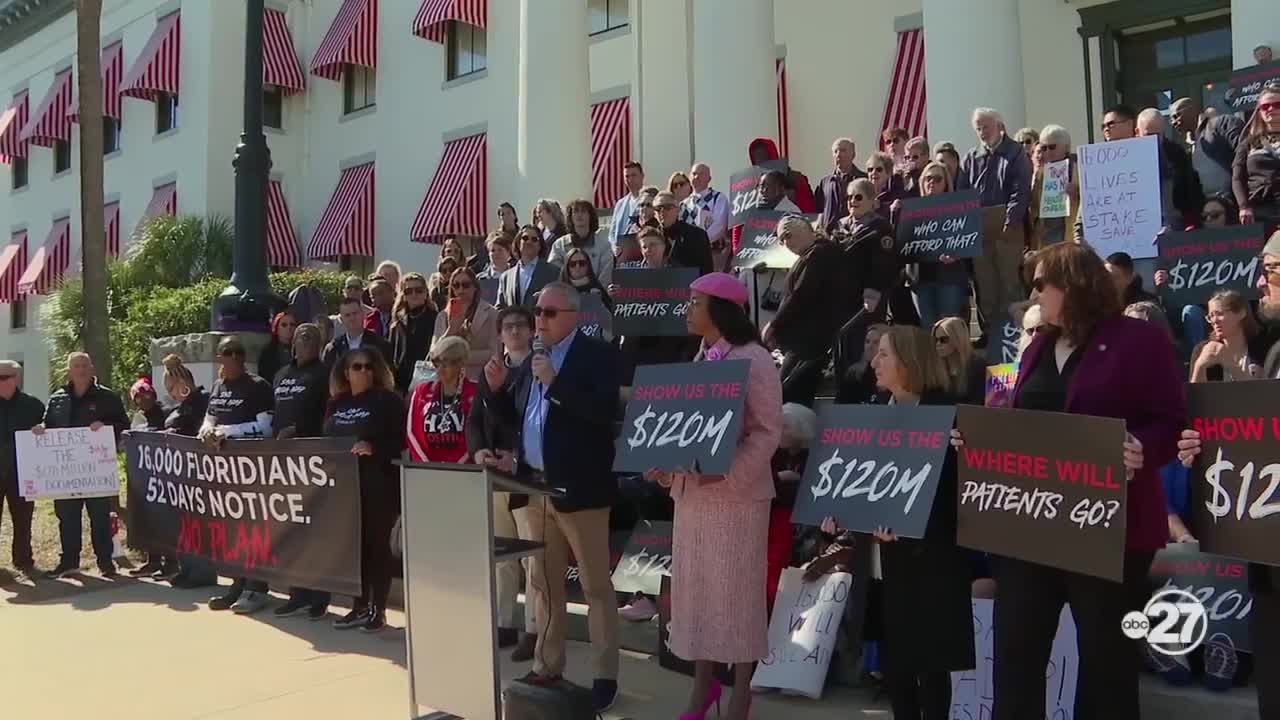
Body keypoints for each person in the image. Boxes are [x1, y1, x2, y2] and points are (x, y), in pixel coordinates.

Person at [951, 242, 1184, 719]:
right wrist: (977, 444)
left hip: (1108, 529)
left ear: (1073, 284)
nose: (1032, 293)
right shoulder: (1036, 346)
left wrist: (1142, 447)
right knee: (1016, 652)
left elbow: (1171, 421)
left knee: (1106, 659)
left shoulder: (1139, 341)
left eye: (1040, 283)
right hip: (1034, 527)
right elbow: (1020, 424)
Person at [643, 272, 781, 720]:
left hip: (736, 501)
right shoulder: (701, 356)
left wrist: (726, 476)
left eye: (694, 302)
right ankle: (704, 689)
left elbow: (766, 433)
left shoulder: (755, 359)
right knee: (699, 596)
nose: (687, 309)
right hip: (693, 500)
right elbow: (685, 433)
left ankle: (741, 694)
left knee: (737, 597)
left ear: (718, 309)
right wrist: (665, 465)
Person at [485, 282, 620, 711]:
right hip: (536, 487)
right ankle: (548, 664)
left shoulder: (597, 355)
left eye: (547, 313)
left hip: (581, 489)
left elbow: (602, 415)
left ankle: (604, 674)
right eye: (536, 312)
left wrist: (556, 383)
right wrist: (495, 391)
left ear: (573, 315)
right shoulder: (531, 362)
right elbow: (517, 417)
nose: (537, 321)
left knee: (596, 587)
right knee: (543, 585)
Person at [853, 325, 976, 720]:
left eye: (884, 354)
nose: (875, 362)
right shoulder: (873, 411)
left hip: (931, 559)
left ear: (909, 360)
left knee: (931, 665)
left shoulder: (949, 414)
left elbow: (960, 494)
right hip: (883, 559)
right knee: (895, 662)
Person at [466, 305, 537, 654]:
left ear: (531, 330)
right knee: (503, 556)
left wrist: (516, 456)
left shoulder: (537, 368)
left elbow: (528, 421)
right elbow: (475, 420)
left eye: (521, 325)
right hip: (493, 472)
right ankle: (504, 623)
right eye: (507, 326)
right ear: (499, 334)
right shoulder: (492, 368)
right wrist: (478, 452)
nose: (514, 331)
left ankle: (535, 629)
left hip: (524, 476)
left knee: (531, 557)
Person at [325, 348, 406, 633]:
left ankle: (378, 609)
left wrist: (374, 448)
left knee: (377, 548)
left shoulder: (389, 401)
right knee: (354, 548)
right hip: (346, 488)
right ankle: (357, 606)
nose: (364, 372)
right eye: (356, 367)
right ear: (345, 373)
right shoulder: (337, 403)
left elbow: (401, 441)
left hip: (379, 485)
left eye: (369, 367)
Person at [198, 337, 275, 612]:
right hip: (224, 469)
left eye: (239, 352)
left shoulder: (258, 386)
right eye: (228, 352)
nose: (234, 357)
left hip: (252, 468)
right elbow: (210, 416)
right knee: (233, 529)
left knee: (254, 527)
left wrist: (226, 433)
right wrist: (206, 430)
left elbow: (265, 427)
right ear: (220, 357)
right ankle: (238, 581)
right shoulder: (218, 386)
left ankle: (257, 587)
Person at [35, 352, 128, 579]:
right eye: (76, 366)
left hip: (95, 471)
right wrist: (41, 429)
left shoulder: (108, 397)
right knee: (67, 517)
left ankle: (106, 563)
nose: (81, 369)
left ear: (92, 368)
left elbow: (124, 425)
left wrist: (105, 425)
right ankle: (68, 562)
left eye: (85, 365)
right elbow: (48, 424)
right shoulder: (57, 398)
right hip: (65, 473)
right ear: (69, 371)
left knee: (100, 516)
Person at [270, 324, 333, 620]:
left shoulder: (326, 374)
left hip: (312, 459)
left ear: (320, 344)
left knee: (315, 530)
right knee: (292, 528)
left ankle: (319, 597)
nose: (305, 339)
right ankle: (297, 593)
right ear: (292, 342)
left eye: (311, 337)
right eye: (300, 336)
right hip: (284, 463)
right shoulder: (281, 375)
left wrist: (299, 430)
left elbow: (329, 416)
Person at [957, 107, 1032, 335]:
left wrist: (1011, 220)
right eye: (978, 128)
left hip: (1008, 223)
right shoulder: (970, 157)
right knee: (985, 285)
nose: (982, 132)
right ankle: (992, 336)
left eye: (986, 127)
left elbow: (1021, 190)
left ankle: (1015, 335)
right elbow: (962, 194)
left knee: (1009, 283)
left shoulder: (1016, 153)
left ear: (1000, 126)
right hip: (980, 226)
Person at [765, 216, 849, 406]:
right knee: (793, 396)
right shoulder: (814, 253)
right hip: (805, 340)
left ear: (796, 233)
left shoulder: (818, 254)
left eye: (785, 238)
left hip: (809, 341)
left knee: (786, 394)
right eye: (781, 240)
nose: (784, 244)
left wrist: (774, 324)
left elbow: (801, 294)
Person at [157, 354, 218, 588]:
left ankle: (202, 571)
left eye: (172, 388)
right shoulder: (180, 407)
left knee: (198, 524)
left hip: (199, 471)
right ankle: (187, 568)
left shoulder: (202, 401)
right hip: (179, 473)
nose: (171, 394)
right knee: (183, 523)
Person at [613, 228, 696, 384]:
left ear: (664, 246)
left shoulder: (678, 273)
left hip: (671, 346)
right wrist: (617, 296)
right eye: (644, 246)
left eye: (653, 245)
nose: (648, 250)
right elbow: (624, 314)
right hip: (639, 347)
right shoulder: (630, 276)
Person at [909, 162, 971, 327]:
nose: (932, 182)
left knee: (948, 328)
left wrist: (958, 254)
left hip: (950, 277)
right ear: (922, 182)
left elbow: (968, 242)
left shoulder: (959, 209)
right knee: (928, 328)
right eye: (928, 178)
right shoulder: (911, 210)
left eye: (937, 179)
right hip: (921, 279)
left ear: (946, 183)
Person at [0, 360, 43, 581]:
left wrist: (42, 429)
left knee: (23, 519)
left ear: (15, 379)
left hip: (23, 472)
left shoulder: (33, 406)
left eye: (3, 377)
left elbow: (48, 430)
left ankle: (24, 560)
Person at [835, 178, 901, 322]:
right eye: (850, 197)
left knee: (868, 337)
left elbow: (883, 265)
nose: (853, 201)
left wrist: (872, 294)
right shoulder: (840, 226)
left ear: (872, 201)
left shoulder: (881, 228)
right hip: (842, 295)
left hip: (868, 298)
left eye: (858, 197)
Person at [407, 336, 478, 463]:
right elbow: (412, 432)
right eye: (436, 363)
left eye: (445, 364)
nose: (439, 369)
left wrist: (455, 465)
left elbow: (475, 435)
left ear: (461, 363)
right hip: (426, 469)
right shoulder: (421, 391)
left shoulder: (475, 392)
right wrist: (426, 464)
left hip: (463, 470)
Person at [1136, 108, 1205, 231]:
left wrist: (1191, 221)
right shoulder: (1127, 156)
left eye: (1158, 135)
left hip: (1173, 221)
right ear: (1137, 132)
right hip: (1140, 222)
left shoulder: (1176, 153)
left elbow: (1189, 187)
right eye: (1148, 135)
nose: (1154, 140)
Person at [432, 266, 499, 382]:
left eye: (466, 285)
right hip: (449, 382)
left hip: (479, 380)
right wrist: (452, 328)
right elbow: (434, 355)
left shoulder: (491, 313)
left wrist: (458, 358)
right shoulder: (442, 316)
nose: (461, 290)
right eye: (456, 285)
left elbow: (495, 352)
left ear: (475, 288)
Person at [1233, 81, 1280, 230]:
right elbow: (1238, 176)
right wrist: (1243, 206)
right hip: (1260, 210)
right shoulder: (1248, 142)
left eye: (1277, 105)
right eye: (1265, 106)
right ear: (1259, 111)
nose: (1271, 109)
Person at [1190, 290, 1262, 382]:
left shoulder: (1262, 348)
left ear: (1241, 313)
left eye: (1219, 314)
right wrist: (1199, 366)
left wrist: (1232, 365)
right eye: (1211, 316)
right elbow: (1194, 394)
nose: (1214, 321)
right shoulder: (1201, 350)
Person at [1028, 124, 1080, 248]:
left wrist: (1077, 193)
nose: (1047, 152)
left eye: (1052, 147)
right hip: (1046, 238)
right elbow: (1033, 208)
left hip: (1069, 235)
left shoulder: (1079, 169)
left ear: (1066, 147)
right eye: (1044, 148)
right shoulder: (1040, 173)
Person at [389, 272, 438, 393]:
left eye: (419, 290)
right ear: (403, 295)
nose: (414, 294)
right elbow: (392, 357)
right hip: (401, 385)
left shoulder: (436, 319)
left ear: (426, 293)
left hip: (428, 381)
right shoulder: (398, 323)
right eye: (408, 291)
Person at [549, 198, 614, 287]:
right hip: (566, 295)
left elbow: (606, 276)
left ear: (590, 216)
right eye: (576, 211)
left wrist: (595, 291)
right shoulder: (559, 245)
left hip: (595, 295)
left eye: (583, 211)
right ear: (570, 216)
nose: (579, 215)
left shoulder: (604, 245)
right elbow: (553, 273)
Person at [682, 163, 731, 270]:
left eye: (701, 174)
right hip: (689, 255)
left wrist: (699, 243)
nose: (696, 177)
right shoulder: (684, 204)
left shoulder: (718, 198)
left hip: (712, 253)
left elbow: (720, 226)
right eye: (694, 174)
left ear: (709, 178)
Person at [497, 226, 559, 309]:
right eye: (525, 238)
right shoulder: (506, 277)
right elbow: (500, 308)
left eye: (534, 239)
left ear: (540, 246)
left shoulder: (553, 272)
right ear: (518, 243)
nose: (529, 242)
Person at [748, 136, 815, 212]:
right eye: (756, 158)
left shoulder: (795, 179)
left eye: (762, 156)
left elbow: (809, 212)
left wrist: (793, 198)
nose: (760, 161)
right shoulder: (752, 187)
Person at [322, 297, 393, 369]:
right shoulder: (333, 348)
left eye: (355, 313)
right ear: (342, 320)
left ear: (363, 314)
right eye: (347, 315)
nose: (352, 318)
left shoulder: (380, 344)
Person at [814, 137, 867, 233]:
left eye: (843, 150)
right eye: (835, 151)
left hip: (854, 234)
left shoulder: (864, 180)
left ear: (853, 155)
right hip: (829, 237)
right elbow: (819, 210)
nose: (839, 155)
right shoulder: (825, 182)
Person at [655, 191, 714, 275]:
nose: (662, 212)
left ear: (678, 209)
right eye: (658, 208)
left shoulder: (696, 234)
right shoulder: (652, 237)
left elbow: (707, 271)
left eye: (667, 207)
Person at [932, 317, 984, 404]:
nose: (938, 344)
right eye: (935, 340)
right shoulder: (936, 369)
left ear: (957, 338)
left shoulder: (978, 367)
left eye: (943, 340)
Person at [835, 323, 889, 404]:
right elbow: (839, 406)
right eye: (867, 342)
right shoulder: (855, 373)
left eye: (876, 342)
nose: (870, 346)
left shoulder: (896, 376)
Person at [559, 247, 614, 312]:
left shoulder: (597, 288)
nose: (577, 267)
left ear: (588, 265)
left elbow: (609, 313)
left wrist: (599, 302)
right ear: (567, 267)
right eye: (572, 264)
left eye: (582, 263)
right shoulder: (559, 291)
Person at [609, 161, 647, 250]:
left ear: (642, 176)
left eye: (633, 175)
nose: (630, 179)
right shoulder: (620, 204)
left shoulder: (649, 199)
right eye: (627, 176)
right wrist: (614, 246)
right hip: (622, 255)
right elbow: (612, 233)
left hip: (642, 251)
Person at [257, 311, 297, 385]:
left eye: (292, 324)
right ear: (276, 328)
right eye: (284, 325)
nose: (289, 328)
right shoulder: (267, 352)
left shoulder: (300, 349)